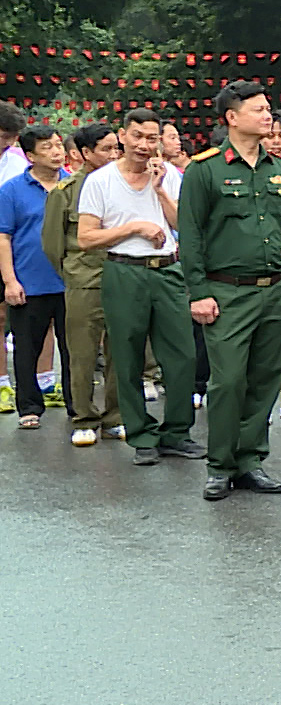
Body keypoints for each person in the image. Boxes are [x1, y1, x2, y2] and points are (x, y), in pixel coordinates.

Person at [177, 86, 281, 500]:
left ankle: (250, 460)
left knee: (265, 378)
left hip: (274, 288)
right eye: (258, 109)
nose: (267, 116)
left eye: (268, 109)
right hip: (227, 291)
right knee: (227, 381)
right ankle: (220, 465)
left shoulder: (279, 170)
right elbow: (191, 236)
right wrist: (198, 292)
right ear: (231, 117)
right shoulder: (204, 170)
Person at [79, 110, 203, 468]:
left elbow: (183, 225)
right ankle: (141, 434)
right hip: (123, 271)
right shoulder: (100, 180)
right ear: (123, 136)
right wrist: (134, 228)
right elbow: (86, 237)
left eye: (152, 138)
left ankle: (177, 433)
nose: (144, 145)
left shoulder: (170, 175)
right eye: (137, 136)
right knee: (127, 355)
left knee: (182, 356)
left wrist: (160, 189)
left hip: (167, 271)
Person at [41, 123, 120, 442]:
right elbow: (52, 245)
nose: (114, 155)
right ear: (86, 153)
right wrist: (73, 274)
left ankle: (115, 416)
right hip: (84, 279)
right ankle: (84, 418)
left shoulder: (127, 184)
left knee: (121, 351)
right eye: (106, 149)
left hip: (123, 276)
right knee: (83, 353)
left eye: (117, 148)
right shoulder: (66, 191)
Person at [0, 126, 69, 431]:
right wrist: (9, 281)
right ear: (30, 156)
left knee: (74, 350)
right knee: (27, 349)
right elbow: (3, 238)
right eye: (47, 148)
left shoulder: (74, 185)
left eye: (58, 145)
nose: (57, 152)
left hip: (70, 282)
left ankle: (78, 405)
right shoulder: (12, 190)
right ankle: (29, 407)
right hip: (29, 282)